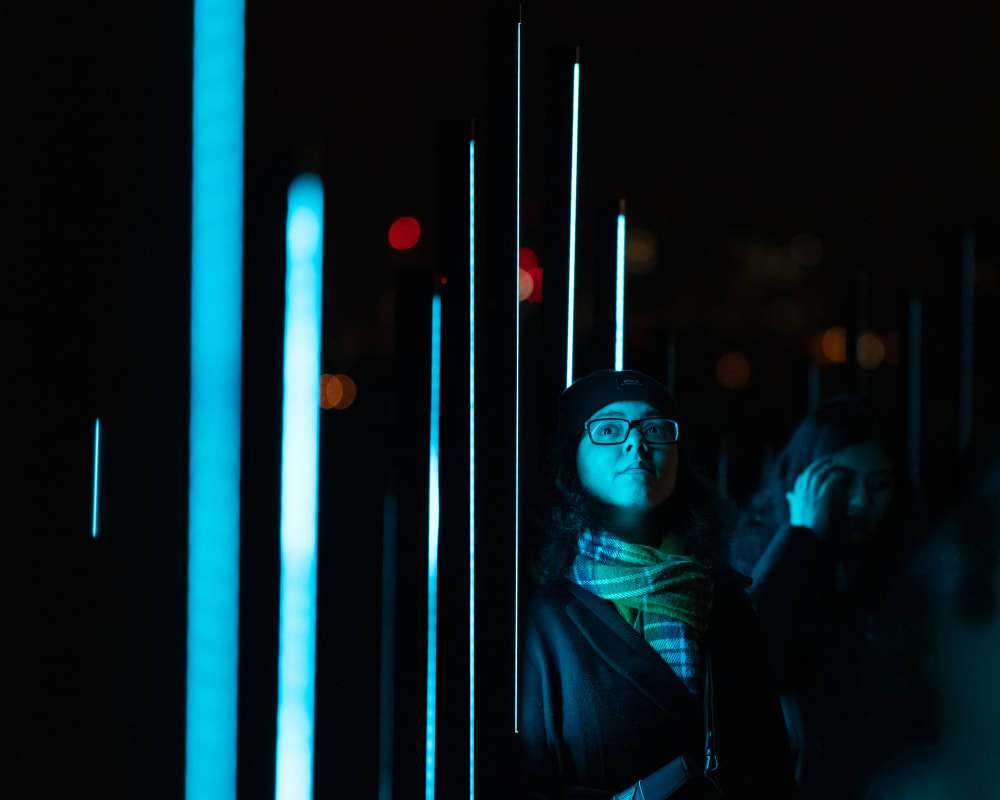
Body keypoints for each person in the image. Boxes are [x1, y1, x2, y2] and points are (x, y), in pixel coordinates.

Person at [519, 370, 795, 799]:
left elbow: (770, 768)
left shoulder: (724, 603)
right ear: (571, 456)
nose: (636, 443)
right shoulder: (540, 615)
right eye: (608, 429)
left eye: (655, 428)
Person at [729, 396, 937, 798]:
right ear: (807, 483)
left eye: (879, 484)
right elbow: (750, 664)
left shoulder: (907, 562)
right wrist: (800, 538)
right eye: (842, 482)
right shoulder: (759, 551)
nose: (861, 500)